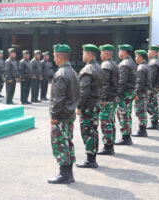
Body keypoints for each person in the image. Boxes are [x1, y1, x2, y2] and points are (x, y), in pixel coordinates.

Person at [48, 44, 80, 184]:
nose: (54, 59)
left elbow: (58, 97)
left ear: (60, 56)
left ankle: (64, 174)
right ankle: (69, 173)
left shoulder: (61, 73)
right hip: (69, 114)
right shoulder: (73, 71)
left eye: (55, 56)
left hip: (61, 116)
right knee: (68, 143)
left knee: (60, 143)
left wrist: (54, 116)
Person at [76, 44, 103, 168]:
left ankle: (90, 160)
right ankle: (92, 157)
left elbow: (84, 91)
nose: (82, 56)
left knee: (87, 131)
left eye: (83, 53)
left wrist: (79, 106)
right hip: (96, 104)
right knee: (93, 131)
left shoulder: (87, 70)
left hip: (88, 106)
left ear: (88, 54)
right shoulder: (98, 67)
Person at [98, 44, 119, 155]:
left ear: (106, 54)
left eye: (101, 53)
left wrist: (103, 99)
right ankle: (110, 144)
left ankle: (108, 146)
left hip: (107, 98)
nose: (100, 55)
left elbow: (104, 84)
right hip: (113, 97)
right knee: (110, 121)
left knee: (106, 122)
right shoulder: (114, 64)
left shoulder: (105, 65)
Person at [115, 44, 137, 145]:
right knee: (127, 114)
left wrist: (117, 94)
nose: (119, 53)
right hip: (130, 92)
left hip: (124, 93)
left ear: (124, 52)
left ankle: (125, 137)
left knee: (123, 114)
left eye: (120, 51)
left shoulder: (124, 64)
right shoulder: (131, 62)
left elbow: (121, 81)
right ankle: (127, 135)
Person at [132, 50, 151, 137]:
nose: (135, 58)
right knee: (142, 111)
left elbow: (139, 83)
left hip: (140, 93)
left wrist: (135, 93)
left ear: (140, 57)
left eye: (136, 56)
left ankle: (142, 130)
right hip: (144, 91)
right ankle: (142, 129)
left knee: (140, 112)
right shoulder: (146, 66)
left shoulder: (141, 68)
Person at [147, 45, 159, 129]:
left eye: (149, 51)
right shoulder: (158, 61)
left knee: (151, 104)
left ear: (154, 52)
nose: (148, 52)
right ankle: (155, 122)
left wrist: (149, 87)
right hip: (156, 86)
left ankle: (154, 122)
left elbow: (152, 77)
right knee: (154, 103)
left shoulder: (153, 62)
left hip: (152, 87)